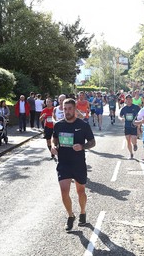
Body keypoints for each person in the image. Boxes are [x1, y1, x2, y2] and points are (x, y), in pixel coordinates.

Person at [51, 98, 96, 231]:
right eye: (65, 109)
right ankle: (70, 216)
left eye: (70, 109)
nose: (67, 111)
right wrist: (53, 147)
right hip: (63, 163)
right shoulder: (58, 125)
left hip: (78, 163)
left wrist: (82, 146)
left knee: (80, 191)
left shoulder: (83, 125)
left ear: (75, 109)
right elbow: (54, 140)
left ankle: (82, 212)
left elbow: (92, 142)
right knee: (64, 192)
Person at [119, 94, 140, 159]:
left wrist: (139, 123)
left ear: (132, 100)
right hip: (127, 126)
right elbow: (119, 115)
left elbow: (141, 114)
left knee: (133, 139)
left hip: (134, 126)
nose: (128, 101)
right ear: (125, 100)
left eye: (130, 99)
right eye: (127, 99)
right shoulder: (124, 108)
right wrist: (121, 118)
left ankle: (134, 144)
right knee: (128, 140)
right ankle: (131, 153)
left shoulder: (136, 107)